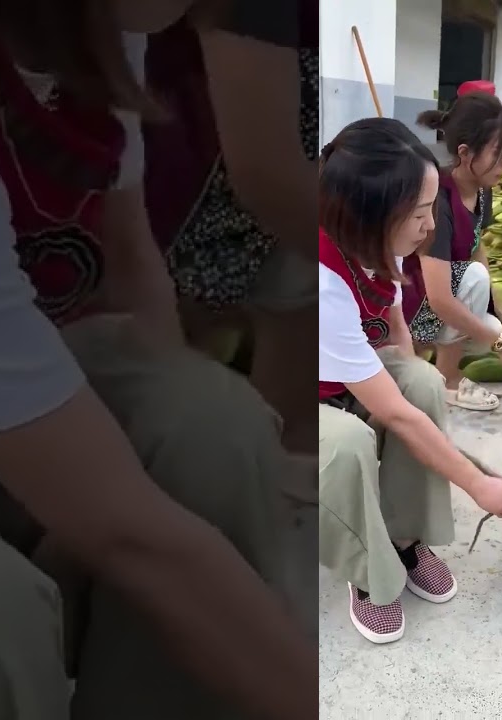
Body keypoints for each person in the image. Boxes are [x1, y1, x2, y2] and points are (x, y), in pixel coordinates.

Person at [0, 0, 314, 718]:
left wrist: (142, 463)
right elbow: (133, 536)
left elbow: (129, 254)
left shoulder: (105, 27)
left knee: (214, 427)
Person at [318, 117, 502, 645]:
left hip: (344, 376)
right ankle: (370, 574)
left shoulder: (379, 241)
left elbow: (392, 327)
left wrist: (412, 377)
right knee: (347, 442)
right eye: (417, 214)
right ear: (370, 215)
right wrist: (477, 484)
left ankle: (404, 537)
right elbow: (390, 413)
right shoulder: (321, 275)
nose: (429, 228)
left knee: (424, 382)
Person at [141, 0, 321, 465]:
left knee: (283, 425)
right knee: (171, 400)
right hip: (199, 207)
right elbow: (264, 170)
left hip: (294, 210)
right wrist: (361, 262)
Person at [404, 92, 502, 412]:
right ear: (464, 152)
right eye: (497, 154)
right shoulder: (439, 203)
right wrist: (499, 344)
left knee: (485, 301)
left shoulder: (481, 192)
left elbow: (477, 246)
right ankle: (442, 379)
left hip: (436, 297)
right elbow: (440, 299)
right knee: (478, 296)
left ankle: (429, 370)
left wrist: (495, 301)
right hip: (409, 302)